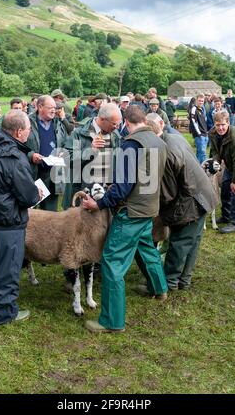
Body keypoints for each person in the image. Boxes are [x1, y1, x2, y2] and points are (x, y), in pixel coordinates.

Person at [83, 105, 168, 333]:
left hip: (130, 213)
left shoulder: (131, 144)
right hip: (149, 208)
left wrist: (98, 203)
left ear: (126, 124)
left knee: (112, 261)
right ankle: (159, 288)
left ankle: (112, 322)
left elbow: (123, 187)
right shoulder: (159, 141)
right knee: (147, 249)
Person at [0, 110, 41, 325]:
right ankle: (5, 313)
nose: (30, 134)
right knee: (8, 267)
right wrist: (36, 193)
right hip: (8, 220)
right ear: (19, 131)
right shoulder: (14, 157)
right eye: (29, 130)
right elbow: (28, 195)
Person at [146, 113, 217, 291]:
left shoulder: (164, 152)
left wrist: (156, 208)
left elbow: (168, 194)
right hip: (202, 194)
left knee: (180, 242)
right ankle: (183, 281)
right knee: (192, 242)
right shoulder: (174, 137)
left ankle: (169, 283)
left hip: (191, 200)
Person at [209, 110, 235, 233]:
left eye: (223, 124)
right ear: (214, 124)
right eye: (218, 125)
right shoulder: (213, 133)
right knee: (225, 191)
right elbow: (215, 150)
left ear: (228, 123)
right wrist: (216, 161)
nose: (220, 128)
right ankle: (226, 216)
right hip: (229, 165)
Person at [26, 95, 69, 211]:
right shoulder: (27, 123)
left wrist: (63, 153)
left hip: (53, 175)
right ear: (40, 107)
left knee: (50, 213)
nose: (54, 110)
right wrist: (31, 155)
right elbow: (17, 146)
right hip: (33, 173)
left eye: (55, 107)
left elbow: (65, 144)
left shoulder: (59, 124)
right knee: (30, 211)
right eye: (50, 107)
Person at [189, 93, 208, 164]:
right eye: (199, 100)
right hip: (199, 135)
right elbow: (194, 122)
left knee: (199, 154)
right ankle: (204, 169)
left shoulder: (202, 109)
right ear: (196, 100)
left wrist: (206, 132)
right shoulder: (194, 109)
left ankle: (197, 167)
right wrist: (199, 134)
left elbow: (203, 122)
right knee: (203, 154)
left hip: (205, 133)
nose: (201, 102)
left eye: (202, 101)